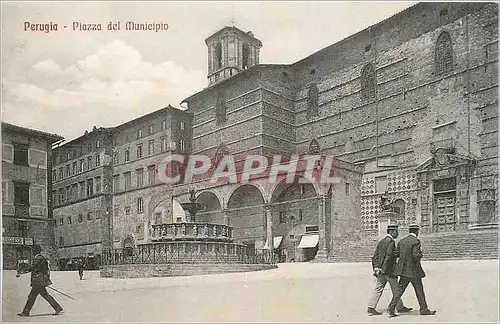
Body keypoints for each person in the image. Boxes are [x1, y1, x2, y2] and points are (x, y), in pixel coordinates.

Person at [387, 224, 436, 317]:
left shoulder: (402, 241)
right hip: (414, 271)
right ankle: (424, 309)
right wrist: (420, 254)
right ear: (417, 231)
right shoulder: (416, 241)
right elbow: (416, 255)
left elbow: (396, 253)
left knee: (399, 290)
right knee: (419, 290)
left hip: (403, 271)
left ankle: (391, 307)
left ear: (409, 231)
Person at [367, 224, 412, 315]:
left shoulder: (381, 241)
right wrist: (384, 268)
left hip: (381, 271)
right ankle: (398, 307)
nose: (397, 233)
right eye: (396, 231)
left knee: (378, 288)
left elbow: (375, 256)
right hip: (389, 271)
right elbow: (388, 257)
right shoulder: (391, 242)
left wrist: (377, 268)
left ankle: (371, 307)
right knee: (396, 289)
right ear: (391, 231)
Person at [16, 244, 64, 317]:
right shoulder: (40, 258)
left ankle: (26, 312)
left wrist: (23, 271)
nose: (32, 252)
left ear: (35, 251)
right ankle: (57, 307)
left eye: (33, 251)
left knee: (34, 296)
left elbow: (33, 267)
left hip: (38, 281)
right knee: (40, 295)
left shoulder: (39, 258)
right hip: (39, 280)